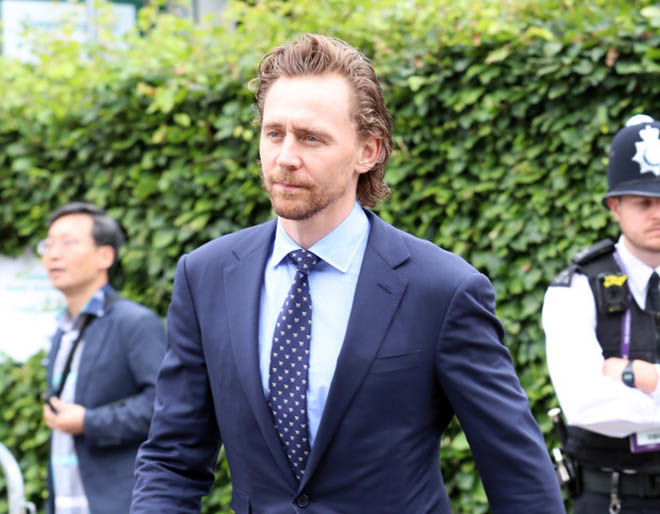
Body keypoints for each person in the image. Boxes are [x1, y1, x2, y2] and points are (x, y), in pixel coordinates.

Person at [131, 33, 564, 514]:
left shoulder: (442, 290)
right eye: (274, 133)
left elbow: (519, 476)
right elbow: (172, 460)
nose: (285, 157)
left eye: (311, 138)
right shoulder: (206, 275)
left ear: (368, 152)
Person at [543, 115, 660, 513]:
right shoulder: (575, 288)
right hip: (611, 499)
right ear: (615, 206)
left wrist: (639, 375)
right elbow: (586, 405)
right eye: (644, 202)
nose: (657, 213)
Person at [40, 202, 166, 514]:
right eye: (49, 244)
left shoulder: (134, 322)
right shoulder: (62, 328)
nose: (54, 254)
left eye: (68, 243)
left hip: (118, 502)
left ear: (105, 256)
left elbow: (164, 405)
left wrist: (88, 422)